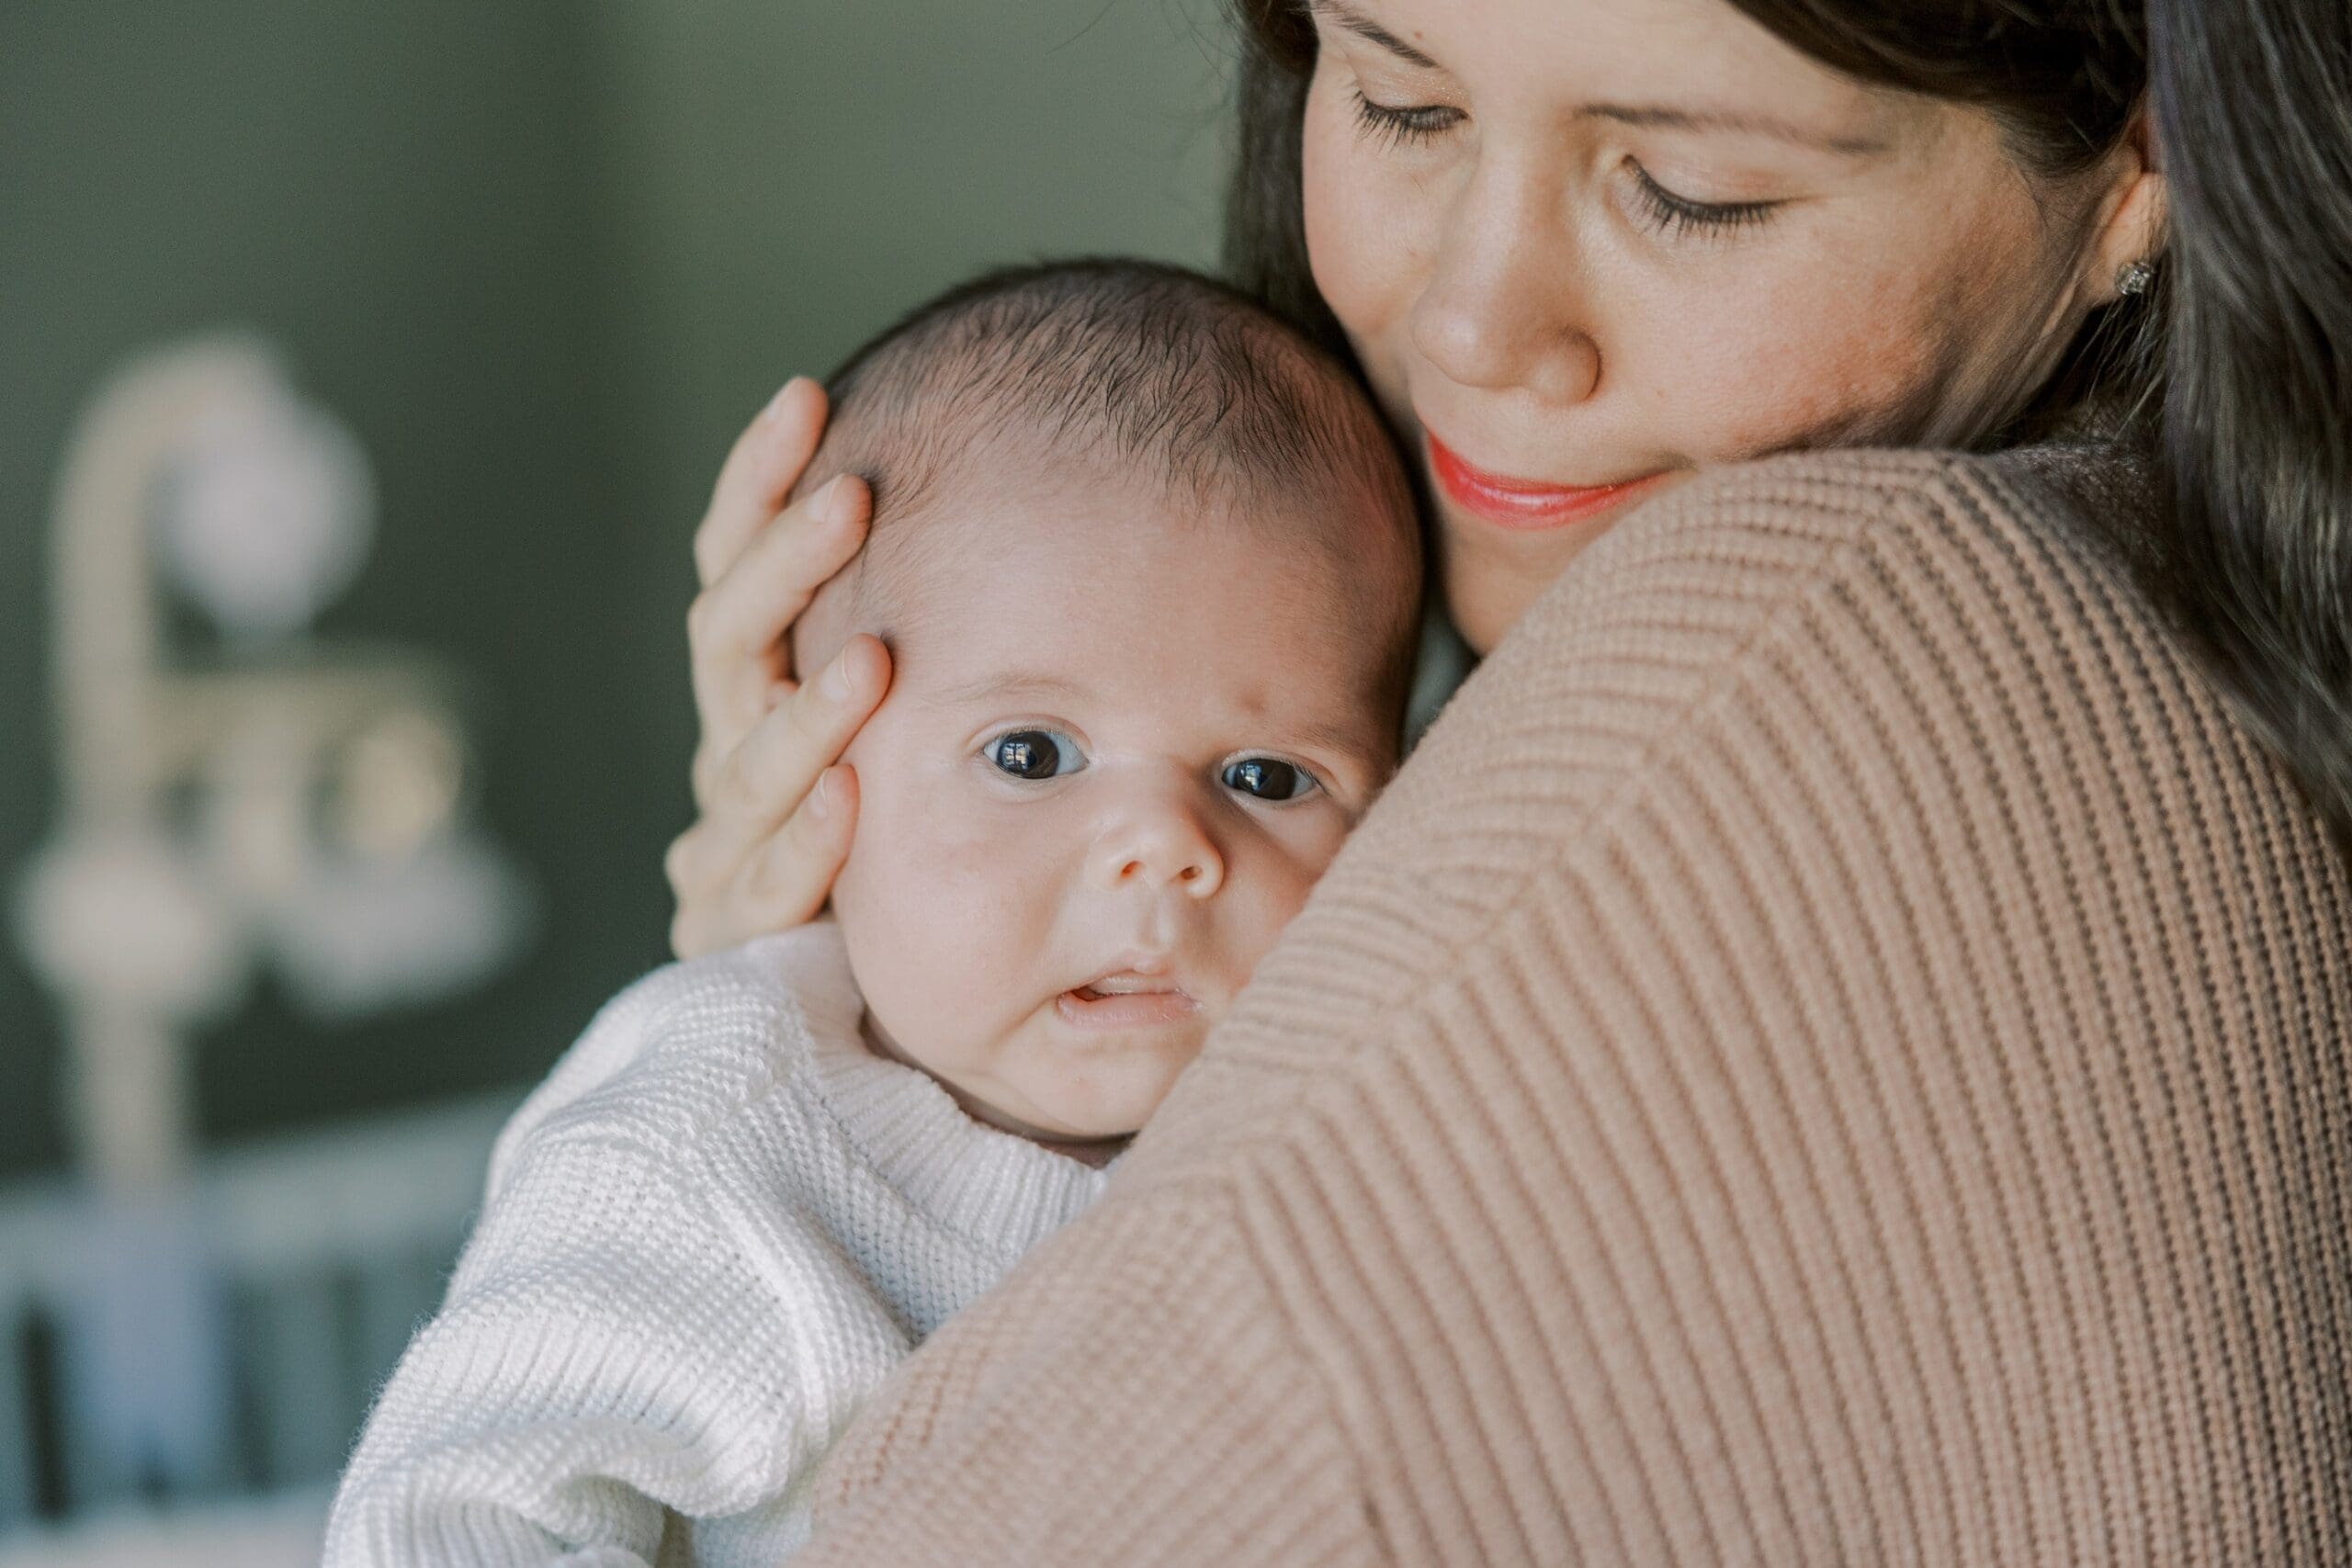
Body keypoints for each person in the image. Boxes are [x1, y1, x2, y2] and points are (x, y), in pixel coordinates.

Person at [665, 0, 2352, 1560]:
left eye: (1688, 192)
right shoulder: (2196, 634)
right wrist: (853, 1041)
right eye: (1401, 102)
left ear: (2149, 154)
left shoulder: (1812, 645)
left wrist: (734, 1100)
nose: (1471, 329)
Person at [322, 259, 1422, 1566]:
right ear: (815, 770)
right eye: (1031, 756)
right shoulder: (722, 1143)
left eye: (1268, 777)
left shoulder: (1347, 1128)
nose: (1168, 851)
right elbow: (449, 1518)